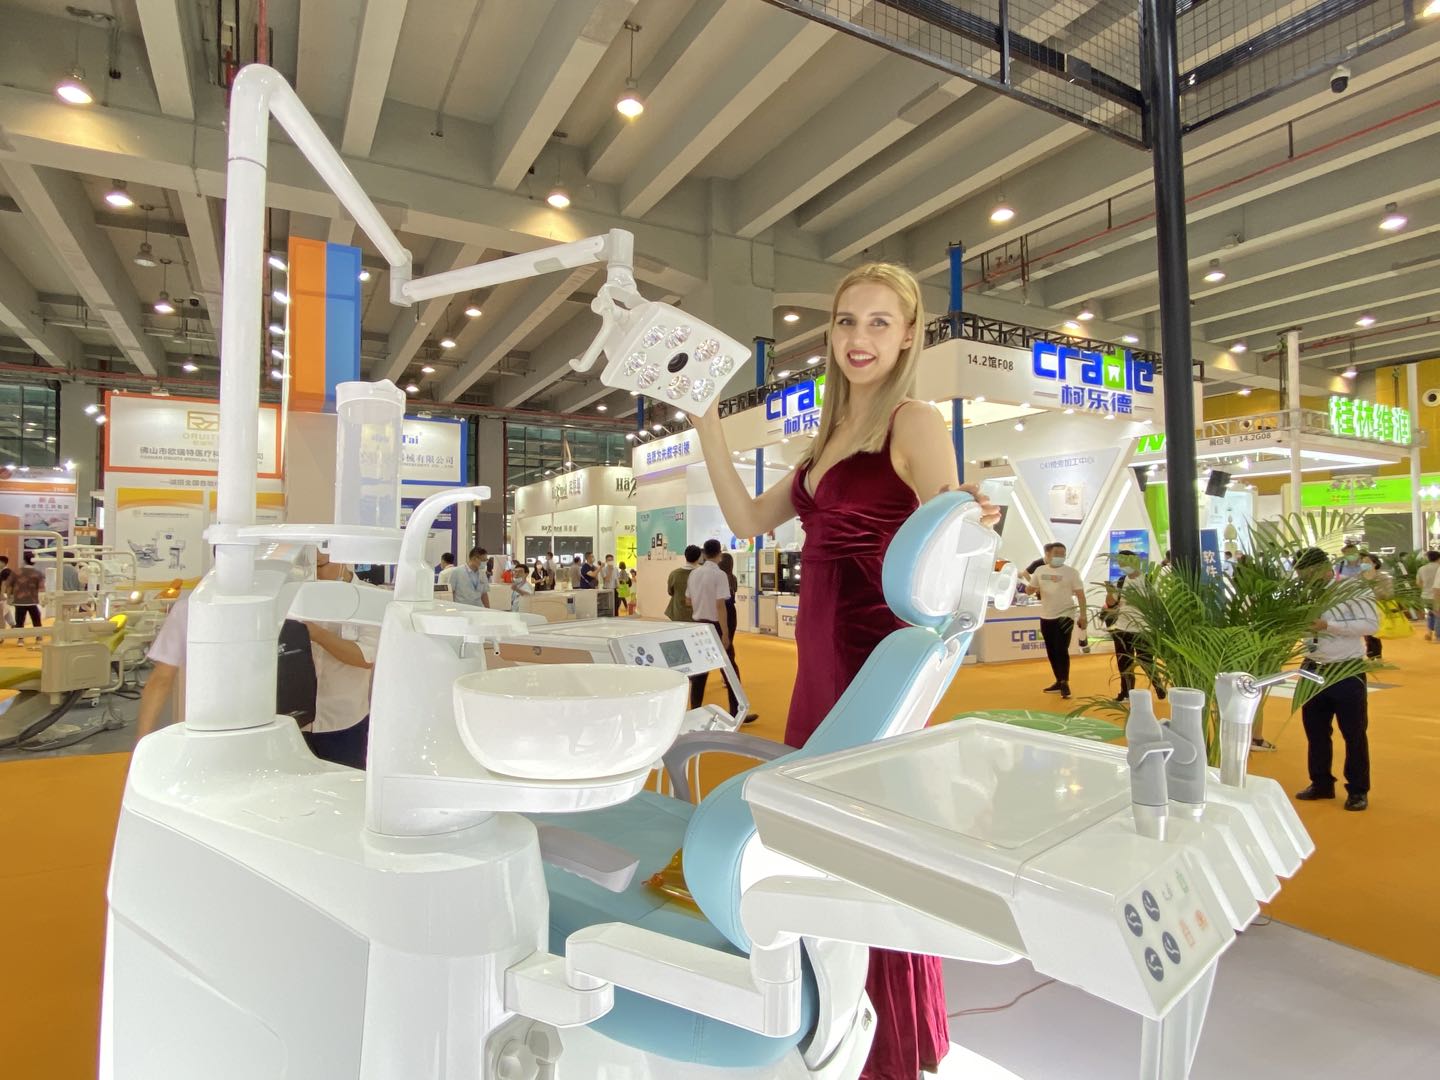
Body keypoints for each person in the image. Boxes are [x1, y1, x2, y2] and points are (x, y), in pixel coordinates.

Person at [693, 261, 998, 1080]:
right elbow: (746, 520)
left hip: (873, 661)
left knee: (867, 848)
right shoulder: (828, 437)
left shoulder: (913, 420)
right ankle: (837, 1024)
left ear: (908, 336)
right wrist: (706, 425)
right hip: (819, 665)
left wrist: (973, 512)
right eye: (846, 321)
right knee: (819, 843)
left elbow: (950, 524)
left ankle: (890, 1045)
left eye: (878, 322)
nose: (859, 338)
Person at [1294, 547, 1376, 812]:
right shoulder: (1302, 594)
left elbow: (1371, 625)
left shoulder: (1353, 590)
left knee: (1354, 732)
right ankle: (1321, 783)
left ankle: (1358, 790)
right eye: (1301, 576)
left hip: (1346, 669)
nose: (1304, 580)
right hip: (1312, 668)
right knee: (1315, 730)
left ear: (1324, 568)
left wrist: (1329, 626)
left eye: (1307, 575)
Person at [300, 554, 379, 769]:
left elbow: (365, 658)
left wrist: (317, 634)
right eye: (308, 567)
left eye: (320, 566)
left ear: (342, 557)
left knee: (345, 783)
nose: (314, 574)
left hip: (344, 720)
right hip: (296, 721)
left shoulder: (369, 599)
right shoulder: (298, 594)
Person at [686, 540, 750, 721]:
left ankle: (694, 711)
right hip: (715, 626)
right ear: (719, 554)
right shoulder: (719, 575)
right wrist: (726, 633)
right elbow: (720, 606)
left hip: (698, 624)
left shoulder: (694, 574)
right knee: (730, 670)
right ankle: (736, 711)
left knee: (700, 673)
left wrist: (701, 603)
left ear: (704, 554)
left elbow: (688, 600)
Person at [1101, 551, 1162, 703]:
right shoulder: (1121, 581)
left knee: (1145, 660)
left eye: (1126, 562)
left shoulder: (1149, 580)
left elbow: (1157, 604)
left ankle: (1158, 684)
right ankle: (1126, 692)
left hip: (1143, 629)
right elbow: (1111, 603)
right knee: (1124, 663)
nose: (1123, 566)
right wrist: (1110, 593)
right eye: (1121, 563)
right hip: (1122, 628)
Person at [1030, 542, 1087, 700]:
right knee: (1051, 650)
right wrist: (1030, 588)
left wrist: (1083, 615)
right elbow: (1030, 589)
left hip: (1065, 615)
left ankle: (1064, 682)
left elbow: (1081, 595)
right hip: (1046, 615)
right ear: (1048, 554)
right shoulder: (1040, 571)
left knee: (1061, 649)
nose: (1060, 557)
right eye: (1057, 554)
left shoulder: (1071, 573)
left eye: (1063, 554)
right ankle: (1058, 680)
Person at [718, 551, 758, 723]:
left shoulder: (720, 578)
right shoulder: (730, 578)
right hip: (727, 618)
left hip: (722, 618)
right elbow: (724, 604)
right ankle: (736, 710)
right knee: (728, 660)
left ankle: (735, 709)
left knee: (725, 659)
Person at [8, 552, 45, 630]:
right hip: (32, 600)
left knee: (19, 622)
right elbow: (41, 587)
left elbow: (9, 586)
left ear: (24, 560)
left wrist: (9, 597)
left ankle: (20, 637)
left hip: (19, 601)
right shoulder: (38, 573)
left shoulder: (16, 572)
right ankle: (38, 635)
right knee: (36, 621)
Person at [665, 545, 701, 623]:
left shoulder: (674, 574)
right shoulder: (702, 574)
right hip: (697, 615)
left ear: (685, 556)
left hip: (678, 613)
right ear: (699, 557)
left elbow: (670, 592)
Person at [1419, 550, 1440, 641]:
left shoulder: (1422, 568)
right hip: (1437, 595)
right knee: (1438, 615)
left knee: (1431, 614)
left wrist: (1425, 588)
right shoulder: (1439, 567)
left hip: (1425, 595)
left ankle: (1429, 632)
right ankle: (1437, 635)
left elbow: (1418, 583)